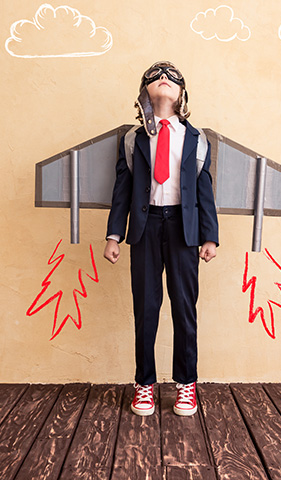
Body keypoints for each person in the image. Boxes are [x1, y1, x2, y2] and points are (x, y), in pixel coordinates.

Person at [104, 61, 219, 417]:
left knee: (184, 307)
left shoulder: (196, 139)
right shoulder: (133, 139)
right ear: (144, 92)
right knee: (146, 308)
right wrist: (114, 235)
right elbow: (122, 189)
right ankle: (144, 383)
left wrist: (209, 236)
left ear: (182, 93)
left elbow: (204, 189)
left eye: (172, 77)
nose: (164, 79)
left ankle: (186, 383)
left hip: (184, 229)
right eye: (155, 76)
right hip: (146, 227)